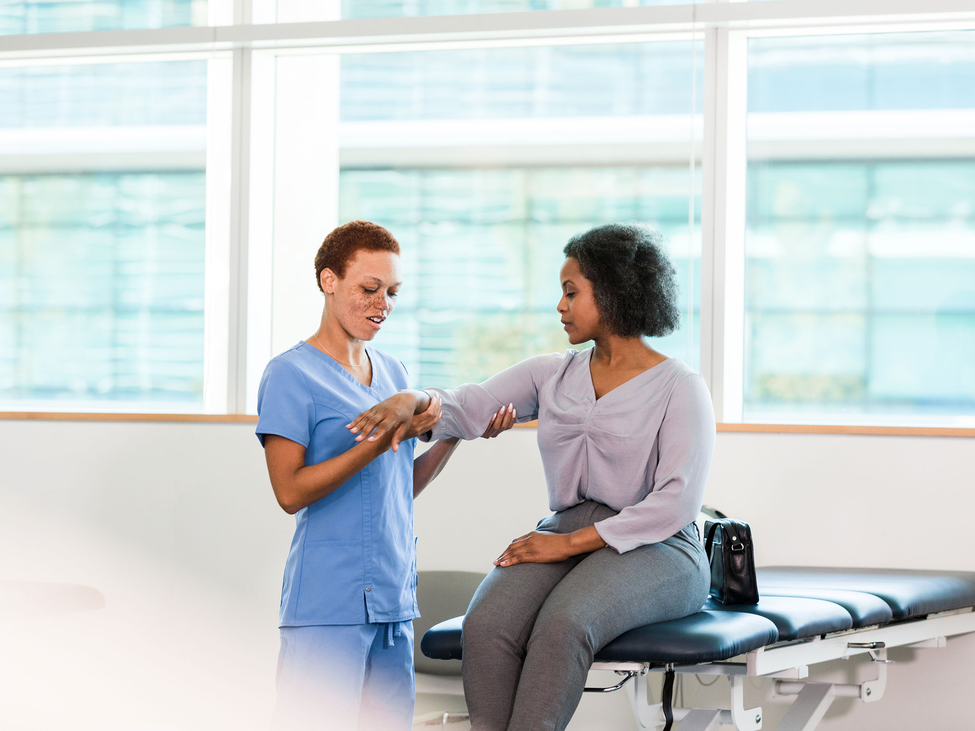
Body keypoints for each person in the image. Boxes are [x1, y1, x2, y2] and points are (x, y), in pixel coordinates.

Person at [347, 222, 716, 731]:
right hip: (568, 528)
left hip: (661, 544)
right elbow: (468, 405)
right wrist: (415, 400)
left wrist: (564, 546)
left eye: (571, 293)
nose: (560, 307)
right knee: (487, 624)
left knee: (565, 624)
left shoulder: (682, 387)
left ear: (612, 294)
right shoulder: (551, 373)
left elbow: (674, 504)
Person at [255, 220, 514, 731]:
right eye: (369, 289)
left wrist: (455, 432)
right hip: (328, 603)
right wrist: (381, 439)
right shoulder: (290, 374)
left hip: (393, 600)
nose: (382, 304)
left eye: (392, 292)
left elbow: (400, 488)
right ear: (329, 281)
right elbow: (289, 492)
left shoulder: (394, 373)